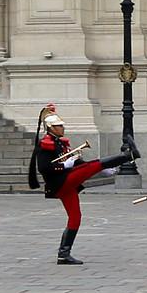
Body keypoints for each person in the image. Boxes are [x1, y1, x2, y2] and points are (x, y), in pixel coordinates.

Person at [27, 104, 138, 265]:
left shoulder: (60, 143)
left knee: (75, 217)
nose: (62, 128)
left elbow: (77, 161)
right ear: (51, 128)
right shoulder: (46, 144)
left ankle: (63, 254)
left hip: (66, 184)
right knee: (90, 166)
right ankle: (128, 155)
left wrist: (101, 171)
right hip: (59, 181)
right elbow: (44, 168)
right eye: (59, 126)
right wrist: (64, 166)